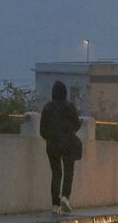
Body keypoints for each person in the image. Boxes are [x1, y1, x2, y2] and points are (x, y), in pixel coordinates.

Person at [40, 80, 82, 215]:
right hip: (68, 144)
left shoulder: (47, 108)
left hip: (52, 145)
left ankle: (55, 204)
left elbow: (42, 130)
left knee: (56, 173)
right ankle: (65, 197)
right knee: (69, 172)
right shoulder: (69, 107)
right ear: (65, 92)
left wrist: (51, 138)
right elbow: (77, 124)